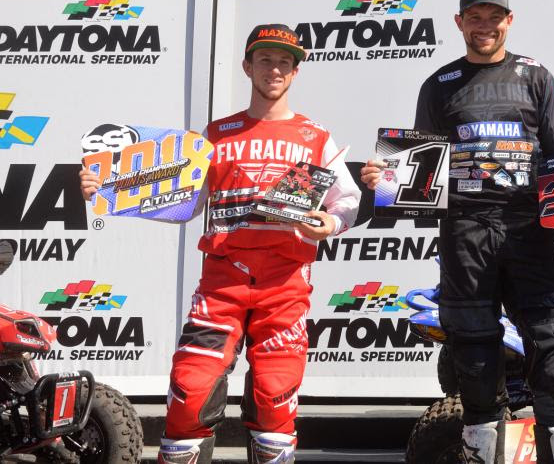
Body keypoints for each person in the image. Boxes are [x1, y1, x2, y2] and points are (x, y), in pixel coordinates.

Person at [80, 24, 361, 464]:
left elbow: (347, 199)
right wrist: (105, 187)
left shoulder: (315, 136)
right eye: (265, 59)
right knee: (190, 393)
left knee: (274, 394)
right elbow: (182, 202)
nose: (275, 69)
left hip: (285, 284)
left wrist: (330, 222)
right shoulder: (216, 134)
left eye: (285, 62)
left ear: (294, 72)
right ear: (248, 66)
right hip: (222, 283)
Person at [361, 0, 554, 464]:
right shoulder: (438, 84)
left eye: (493, 16)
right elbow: (420, 175)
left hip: (529, 232)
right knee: (476, 362)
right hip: (465, 233)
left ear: (509, 20)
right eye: (474, 17)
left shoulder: (536, 76)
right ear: (459, 22)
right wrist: (384, 179)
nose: (484, 25)